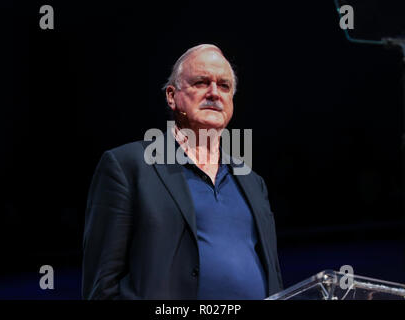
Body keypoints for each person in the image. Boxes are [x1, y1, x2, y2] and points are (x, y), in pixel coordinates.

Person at [82, 44, 283, 299]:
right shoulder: (127, 166)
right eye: (201, 82)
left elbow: (273, 274)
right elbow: (102, 286)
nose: (214, 93)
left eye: (224, 86)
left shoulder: (253, 182)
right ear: (172, 96)